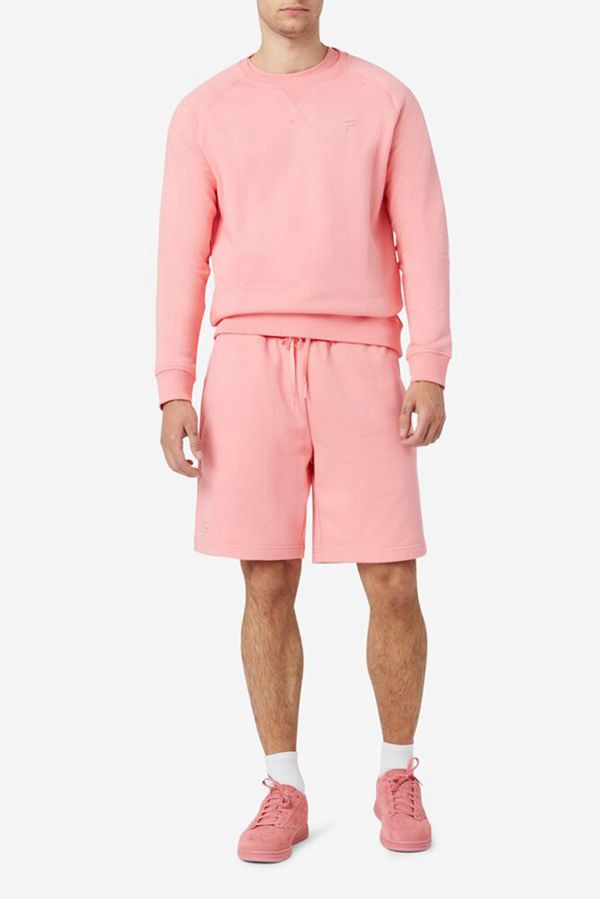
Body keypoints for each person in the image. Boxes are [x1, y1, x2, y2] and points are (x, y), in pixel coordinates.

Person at [156, 0, 450, 862]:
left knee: (391, 576)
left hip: (363, 355)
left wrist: (429, 363)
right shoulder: (204, 111)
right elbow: (182, 255)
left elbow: (423, 234)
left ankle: (396, 773)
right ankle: (283, 785)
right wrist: (173, 385)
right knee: (266, 579)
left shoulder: (386, 98)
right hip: (248, 357)